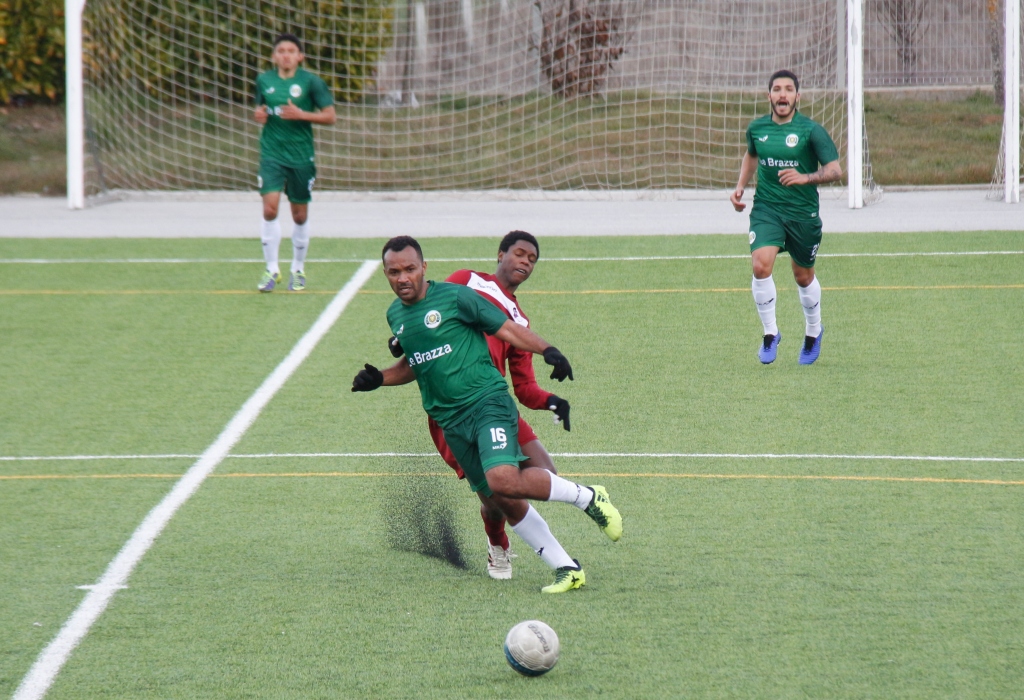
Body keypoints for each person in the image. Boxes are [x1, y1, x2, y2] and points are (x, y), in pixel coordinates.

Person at [353, 236, 622, 594]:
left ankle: (588, 497)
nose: (403, 277)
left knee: (511, 480)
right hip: (449, 422)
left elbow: (510, 338)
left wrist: (548, 351)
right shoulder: (439, 292)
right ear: (501, 255)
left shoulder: (464, 299)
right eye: (394, 271)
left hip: (486, 402)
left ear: (423, 268)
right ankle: (565, 567)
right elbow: (418, 361)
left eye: (410, 269)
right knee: (499, 498)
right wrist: (380, 378)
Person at [386, 231, 571, 581]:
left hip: (494, 402)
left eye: (532, 259)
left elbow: (525, 388)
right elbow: (423, 313)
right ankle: (499, 544)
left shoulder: (520, 321)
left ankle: (573, 523)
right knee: (497, 494)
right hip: (454, 410)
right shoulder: (465, 281)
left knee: (545, 475)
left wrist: (552, 401)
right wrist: (400, 338)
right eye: (519, 253)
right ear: (500, 255)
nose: (524, 262)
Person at [730, 69, 842, 365]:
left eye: (788, 89)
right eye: (777, 89)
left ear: (797, 96)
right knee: (760, 265)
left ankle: (813, 332)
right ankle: (770, 333)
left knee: (802, 276)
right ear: (769, 96)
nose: (782, 94)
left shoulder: (811, 131)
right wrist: (740, 186)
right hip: (767, 209)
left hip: (802, 214)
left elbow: (835, 170)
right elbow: (752, 155)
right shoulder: (757, 129)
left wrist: (804, 178)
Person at [253, 33, 336, 293]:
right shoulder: (264, 80)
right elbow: (261, 109)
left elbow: (330, 116)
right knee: (269, 209)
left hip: (301, 157)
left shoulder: (311, 82)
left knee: (299, 215)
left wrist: (302, 114)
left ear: (300, 56)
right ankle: (271, 269)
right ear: (274, 55)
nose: (285, 55)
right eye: (281, 51)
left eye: (291, 50)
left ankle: (298, 269)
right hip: (272, 154)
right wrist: (259, 115)